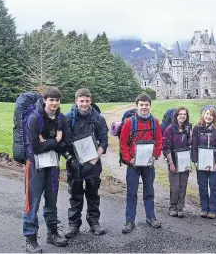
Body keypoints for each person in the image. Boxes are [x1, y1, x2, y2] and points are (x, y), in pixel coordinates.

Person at [23, 87, 71, 253]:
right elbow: (35, 147)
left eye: (57, 100)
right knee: (33, 201)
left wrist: (48, 142)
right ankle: (30, 238)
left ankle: (52, 233)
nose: (54, 103)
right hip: (35, 166)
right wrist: (55, 142)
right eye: (51, 100)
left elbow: (67, 143)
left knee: (52, 201)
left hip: (52, 166)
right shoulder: (34, 118)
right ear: (44, 100)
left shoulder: (62, 120)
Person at [64, 88, 109, 239]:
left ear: (91, 101)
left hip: (93, 163)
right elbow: (63, 143)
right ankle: (73, 225)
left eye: (87, 101)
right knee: (75, 196)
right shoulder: (67, 119)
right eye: (81, 101)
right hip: (74, 164)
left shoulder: (98, 119)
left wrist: (96, 157)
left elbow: (104, 141)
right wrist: (70, 158)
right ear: (75, 101)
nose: (84, 104)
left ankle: (94, 221)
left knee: (93, 195)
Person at [119, 93, 163, 233]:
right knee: (131, 192)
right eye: (141, 105)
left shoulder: (154, 122)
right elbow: (123, 144)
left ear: (150, 105)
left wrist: (155, 155)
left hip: (148, 164)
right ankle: (129, 220)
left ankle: (151, 217)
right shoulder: (129, 122)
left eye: (146, 104)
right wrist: (129, 159)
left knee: (149, 191)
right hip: (133, 163)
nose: (144, 107)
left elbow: (159, 140)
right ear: (137, 105)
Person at [191, 107, 216, 219]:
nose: (208, 116)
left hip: (214, 160)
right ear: (203, 115)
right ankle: (204, 208)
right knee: (202, 186)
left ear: (215, 117)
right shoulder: (197, 128)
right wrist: (195, 160)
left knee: (214, 186)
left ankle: (213, 209)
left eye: (211, 115)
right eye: (207, 114)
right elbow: (194, 145)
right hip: (201, 161)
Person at [162, 107, 192, 218]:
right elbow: (166, 147)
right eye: (180, 114)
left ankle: (180, 208)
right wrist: (171, 163)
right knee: (175, 186)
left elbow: (190, 144)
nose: (182, 116)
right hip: (173, 160)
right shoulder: (170, 129)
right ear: (176, 115)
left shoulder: (188, 129)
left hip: (184, 161)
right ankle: (172, 207)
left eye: (184, 114)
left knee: (183, 185)